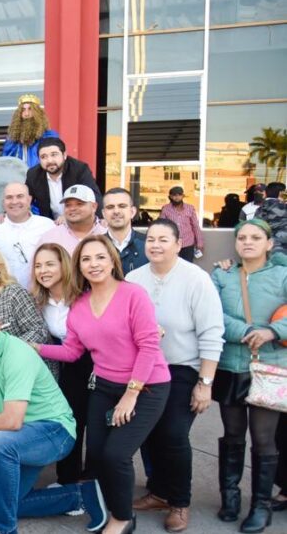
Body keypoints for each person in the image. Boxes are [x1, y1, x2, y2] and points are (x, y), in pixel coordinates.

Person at [35, 235, 171, 534]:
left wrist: (131, 395)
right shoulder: (79, 306)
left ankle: (122, 518)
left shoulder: (133, 295)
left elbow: (149, 346)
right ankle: (111, 504)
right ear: (79, 267)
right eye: (86, 259)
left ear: (112, 260)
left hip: (147, 386)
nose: (93, 264)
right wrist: (35, 348)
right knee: (96, 452)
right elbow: (72, 351)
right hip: (105, 386)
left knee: (116, 454)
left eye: (100, 257)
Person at [0, 298, 107, 534]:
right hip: (19, 439)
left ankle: (3, 529)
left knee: (1, 441)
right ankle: (79, 496)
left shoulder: (17, 353)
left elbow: (12, 420)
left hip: (55, 431)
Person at [126, 219, 224, 532]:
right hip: (145, 367)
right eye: (150, 239)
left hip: (183, 368)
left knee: (173, 434)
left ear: (178, 243)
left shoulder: (196, 279)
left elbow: (212, 332)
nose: (155, 245)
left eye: (163, 239)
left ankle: (180, 502)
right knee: (149, 433)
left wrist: (204, 384)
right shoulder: (133, 278)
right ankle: (159, 492)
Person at [210, 219, 287, 532]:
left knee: (264, 438)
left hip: (270, 366)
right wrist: (247, 330)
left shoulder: (282, 274)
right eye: (242, 237)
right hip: (231, 364)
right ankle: (230, 498)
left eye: (256, 237)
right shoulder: (222, 273)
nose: (248, 242)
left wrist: (273, 331)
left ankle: (261, 505)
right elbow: (213, 314)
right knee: (232, 434)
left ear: (269, 244)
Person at [29, 242, 87, 484]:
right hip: (64, 363)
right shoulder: (39, 300)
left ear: (64, 265)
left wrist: (36, 348)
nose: (43, 270)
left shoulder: (83, 297)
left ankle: (93, 484)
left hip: (91, 362)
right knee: (70, 421)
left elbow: (75, 350)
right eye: (38, 265)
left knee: (92, 425)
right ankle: (69, 480)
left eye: (50, 264)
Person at [0, 183, 55, 289]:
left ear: (29, 199)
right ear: (3, 202)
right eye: (9, 197)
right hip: (4, 296)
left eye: (20, 196)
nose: (14, 201)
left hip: (42, 295)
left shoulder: (47, 226)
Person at [26, 137, 101, 220]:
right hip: (50, 224)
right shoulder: (33, 175)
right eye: (44, 157)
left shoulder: (79, 169)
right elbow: (25, 199)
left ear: (64, 155)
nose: (49, 160)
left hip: (79, 221)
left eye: (54, 155)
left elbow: (94, 197)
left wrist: (68, 216)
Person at [37, 184, 108, 255]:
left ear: (94, 207)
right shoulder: (50, 238)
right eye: (68, 205)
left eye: (79, 204)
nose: (72, 208)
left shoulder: (107, 234)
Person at [1, 94, 60, 168]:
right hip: (17, 178)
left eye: (30, 109)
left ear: (37, 114)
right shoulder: (12, 140)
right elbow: (4, 163)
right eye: (23, 110)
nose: (26, 114)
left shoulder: (49, 137)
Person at [103, 188, 147, 273]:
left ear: (132, 212)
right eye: (110, 207)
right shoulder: (95, 246)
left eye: (122, 206)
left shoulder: (148, 245)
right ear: (104, 214)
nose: (116, 211)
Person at [160, 186, 204, 263]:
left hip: (188, 243)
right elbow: (161, 226)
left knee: (187, 267)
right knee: (171, 266)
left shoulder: (190, 208)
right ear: (170, 196)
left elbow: (195, 226)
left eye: (179, 195)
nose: (177, 197)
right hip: (172, 243)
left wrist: (199, 242)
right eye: (174, 195)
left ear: (183, 196)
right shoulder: (165, 209)